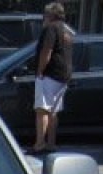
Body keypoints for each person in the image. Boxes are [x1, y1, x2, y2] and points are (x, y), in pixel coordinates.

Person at [29, 2, 73, 154]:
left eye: (45, 14)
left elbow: (46, 51)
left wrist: (40, 71)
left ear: (50, 15)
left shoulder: (51, 28)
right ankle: (51, 144)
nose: (44, 17)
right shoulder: (66, 30)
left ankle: (39, 144)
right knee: (53, 111)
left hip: (50, 73)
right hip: (63, 75)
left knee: (42, 110)